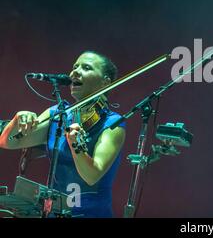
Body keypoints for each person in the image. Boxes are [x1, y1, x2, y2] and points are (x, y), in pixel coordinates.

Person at [0, 51, 126, 217]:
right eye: (75, 67)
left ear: (105, 82)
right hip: (55, 212)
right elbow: (8, 142)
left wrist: (76, 146)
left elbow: (92, 175)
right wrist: (17, 119)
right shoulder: (58, 114)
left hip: (91, 214)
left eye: (86, 68)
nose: (75, 72)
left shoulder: (112, 124)